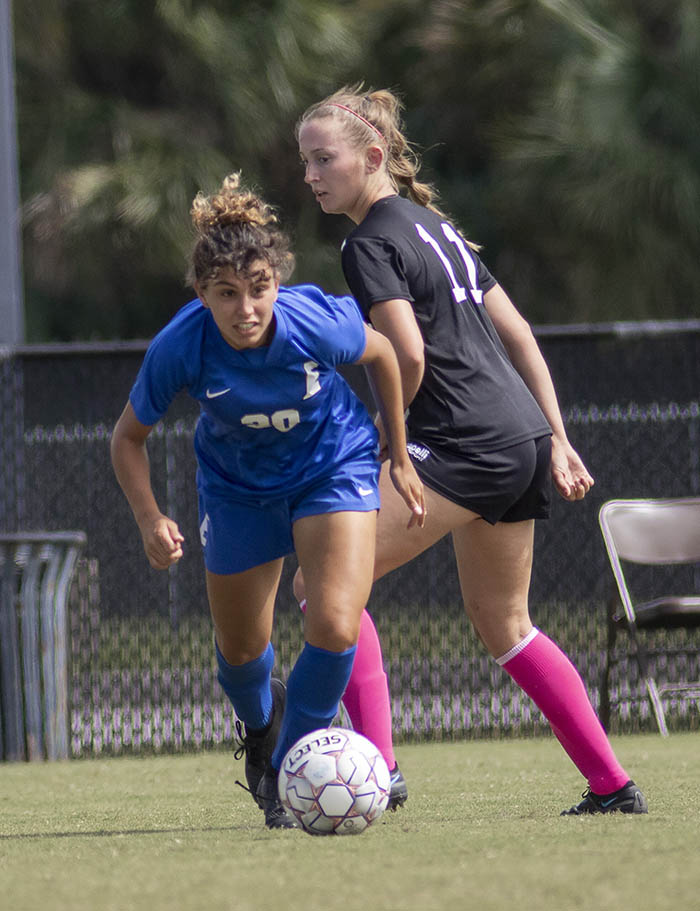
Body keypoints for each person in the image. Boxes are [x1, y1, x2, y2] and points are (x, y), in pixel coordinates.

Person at [293, 85, 648, 816]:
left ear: (372, 157)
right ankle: (613, 786)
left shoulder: (368, 243)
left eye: (323, 159)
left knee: (324, 584)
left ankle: (380, 772)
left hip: (460, 438)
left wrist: (392, 445)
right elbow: (518, 332)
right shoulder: (436, 227)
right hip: (514, 435)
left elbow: (409, 355)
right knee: (506, 624)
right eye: (305, 162)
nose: (310, 175)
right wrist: (554, 435)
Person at [110, 172, 426, 829]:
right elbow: (127, 439)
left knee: (336, 625)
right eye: (227, 294)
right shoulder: (182, 344)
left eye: (259, 289)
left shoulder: (314, 320)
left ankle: (286, 773)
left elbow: (388, 354)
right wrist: (149, 517)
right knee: (239, 658)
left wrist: (396, 453)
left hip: (330, 471)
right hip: (236, 492)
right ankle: (261, 724)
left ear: (276, 282)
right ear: (202, 294)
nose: (246, 308)